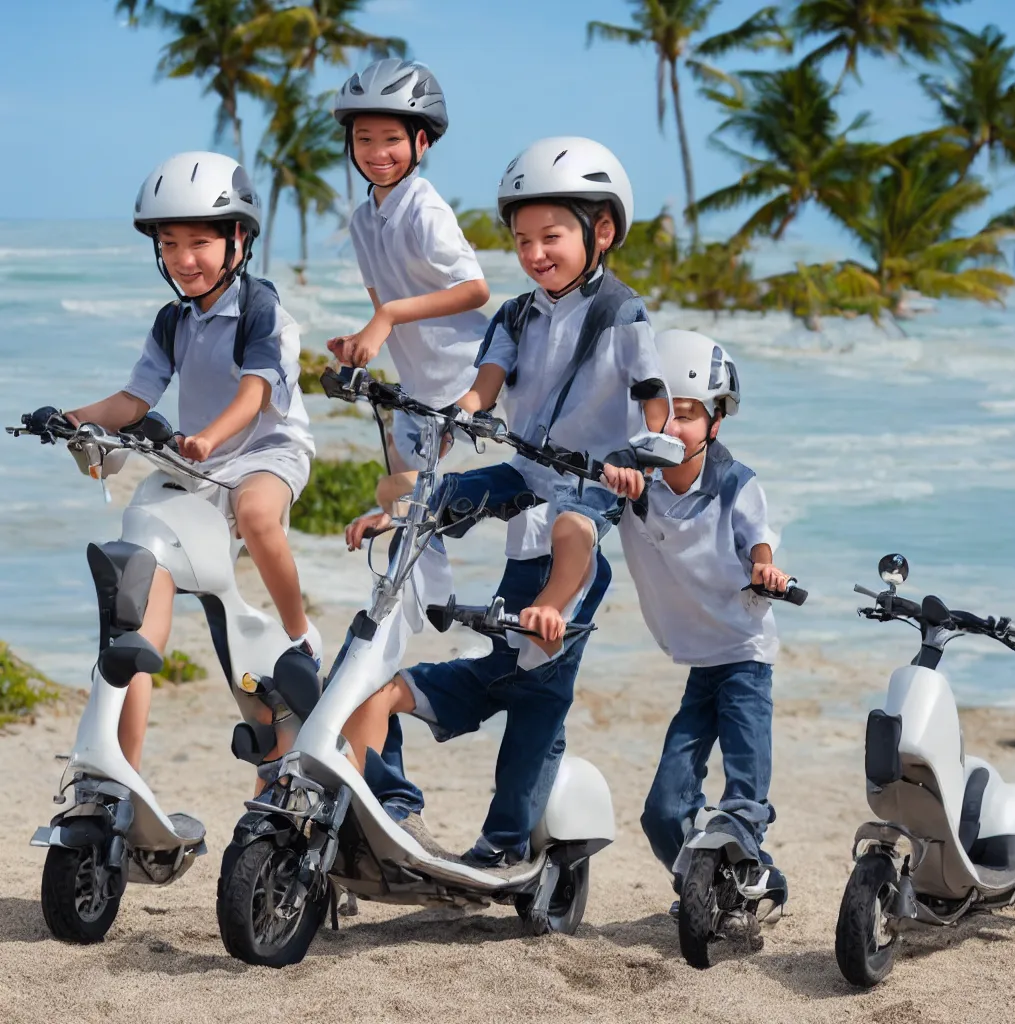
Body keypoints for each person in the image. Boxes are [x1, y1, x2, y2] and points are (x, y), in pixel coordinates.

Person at [342, 137, 669, 869]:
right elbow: (484, 384)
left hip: (589, 480)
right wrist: (458, 414)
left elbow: (653, 401)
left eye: (551, 237)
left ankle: (504, 836)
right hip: (527, 470)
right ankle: (400, 534)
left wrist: (642, 456)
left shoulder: (623, 313)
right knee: (437, 499)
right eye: (522, 240)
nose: (534, 253)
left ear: (602, 232)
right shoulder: (518, 315)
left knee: (565, 561)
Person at [65, 151, 317, 770]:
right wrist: (74, 418)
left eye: (199, 242)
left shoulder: (263, 312)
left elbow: (254, 396)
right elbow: (134, 399)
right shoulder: (173, 321)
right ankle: (123, 771)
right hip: (198, 468)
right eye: (169, 243)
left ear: (239, 239)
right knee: (137, 615)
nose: (183, 259)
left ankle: (298, 634)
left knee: (259, 515)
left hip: (265, 451)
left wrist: (207, 436)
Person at [617, 329, 790, 910]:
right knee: (663, 809)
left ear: (715, 422)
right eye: (661, 412)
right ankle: (706, 884)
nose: (671, 426)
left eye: (687, 415)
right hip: (699, 662)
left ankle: (749, 870)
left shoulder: (735, 484)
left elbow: (759, 541)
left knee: (743, 793)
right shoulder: (634, 485)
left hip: (744, 655)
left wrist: (765, 569)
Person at [328, 58, 490, 513]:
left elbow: (476, 289)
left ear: (421, 142)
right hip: (417, 395)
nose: (377, 152)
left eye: (392, 139)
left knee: (401, 498)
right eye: (364, 139)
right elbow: (385, 306)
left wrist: (389, 315)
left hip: (469, 383)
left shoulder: (424, 208)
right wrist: (362, 341)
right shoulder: (362, 221)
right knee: (405, 524)